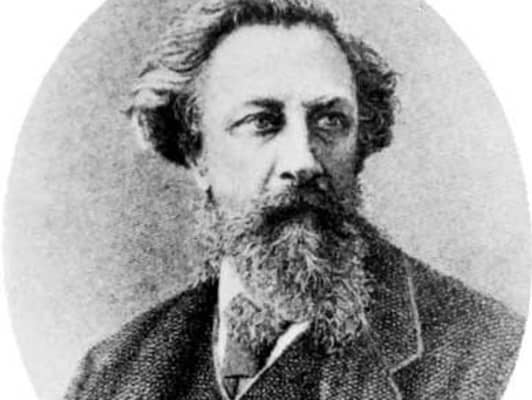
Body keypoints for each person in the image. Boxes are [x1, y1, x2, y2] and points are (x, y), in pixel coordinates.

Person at [64, 0, 524, 399]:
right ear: (196, 152)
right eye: (262, 122)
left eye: (330, 121)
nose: (303, 161)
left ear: (361, 140)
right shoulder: (113, 374)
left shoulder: (485, 354)